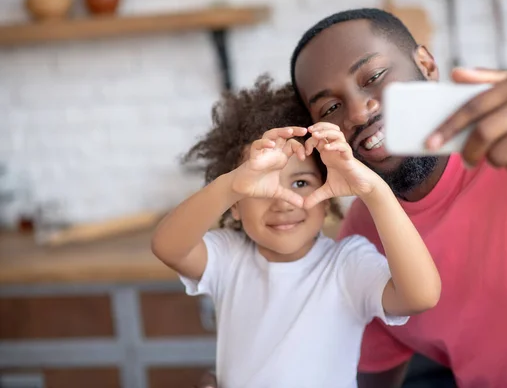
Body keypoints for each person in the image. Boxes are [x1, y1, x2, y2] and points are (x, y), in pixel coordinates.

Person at [287, 8, 507, 388]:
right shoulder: (362, 241)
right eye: (330, 108)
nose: (357, 111)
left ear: (426, 64)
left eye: (374, 77)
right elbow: (369, 373)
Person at [151, 75, 441, 388]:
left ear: (328, 194)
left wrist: (375, 192)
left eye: (300, 183)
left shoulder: (346, 264)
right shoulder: (228, 257)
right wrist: (230, 185)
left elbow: (420, 296)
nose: (283, 201)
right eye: (263, 187)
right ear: (235, 204)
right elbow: (167, 247)